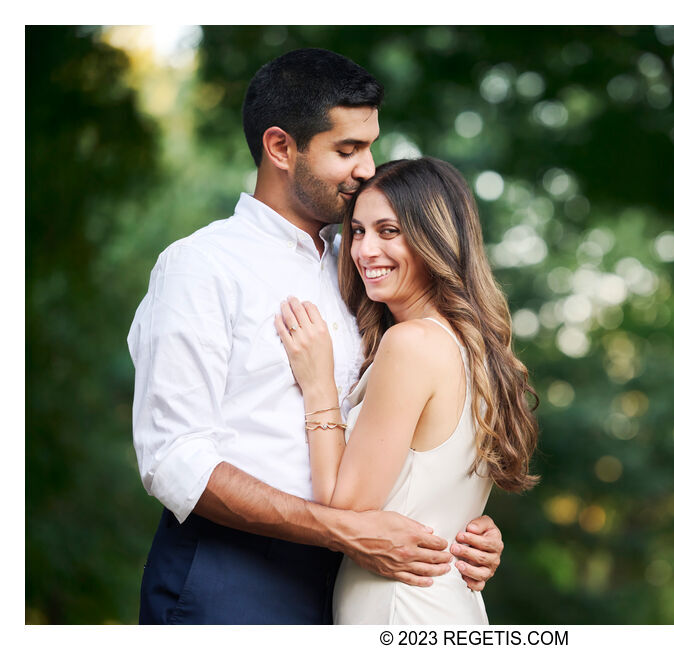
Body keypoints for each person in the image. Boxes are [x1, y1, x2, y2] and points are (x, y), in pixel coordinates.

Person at [128, 49, 503, 625]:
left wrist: (455, 523)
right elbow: (173, 458)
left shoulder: (361, 267)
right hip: (232, 580)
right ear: (281, 148)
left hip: (360, 583)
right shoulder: (200, 266)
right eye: (347, 149)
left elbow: (412, 423)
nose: (365, 168)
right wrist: (345, 528)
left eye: (370, 146)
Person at [275, 157, 539, 624]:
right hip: (447, 603)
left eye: (388, 231)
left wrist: (319, 387)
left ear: (434, 238)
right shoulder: (475, 348)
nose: (365, 250)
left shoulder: (411, 343)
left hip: (401, 606)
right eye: (357, 231)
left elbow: (347, 509)